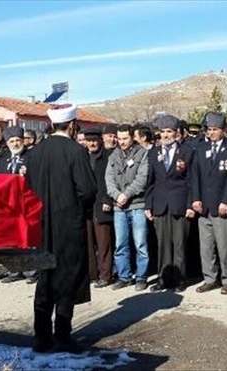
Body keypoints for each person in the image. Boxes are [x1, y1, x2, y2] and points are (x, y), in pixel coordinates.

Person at [25, 103, 97, 353]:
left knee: (44, 278)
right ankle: (63, 334)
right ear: (72, 124)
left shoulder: (34, 153)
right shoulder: (76, 152)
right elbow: (88, 189)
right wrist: (80, 208)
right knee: (66, 276)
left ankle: (41, 336)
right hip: (68, 223)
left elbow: (28, 189)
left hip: (41, 223)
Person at [191, 112, 227, 295]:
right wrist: (195, 198)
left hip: (222, 205)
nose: (211, 133)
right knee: (206, 246)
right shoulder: (201, 148)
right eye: (209, 129)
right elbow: (194, 175)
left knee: (224, 246)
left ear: (223, 131)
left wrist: (225, 201)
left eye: (214, 129)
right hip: (204, 206)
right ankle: (210, 278)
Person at [145, 114, 196, 292]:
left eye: (169, 131)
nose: (166, 135)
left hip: (180, 203)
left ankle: (180, 279)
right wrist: (148, 205)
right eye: (162, 132)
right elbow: (150, 182)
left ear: (176, 133)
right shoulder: (153, 152)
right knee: (163, 244)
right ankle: (163, 278)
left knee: (180, 243)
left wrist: (190, 205)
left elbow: (192, 180)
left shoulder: (188, 151)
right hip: (160, 204)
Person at [106, 124, 150, 291]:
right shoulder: (113, 156)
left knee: (140, 244)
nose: (122, 142)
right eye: (120, 138)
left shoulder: (142, 154)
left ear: (133, 137)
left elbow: (142, 179)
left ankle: (141, 277)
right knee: (121, 243)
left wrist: (127, 194)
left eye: (125, 138)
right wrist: (117, 195)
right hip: (119, 207)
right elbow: (109, 179)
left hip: (137, 204)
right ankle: (124, 276)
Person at [81, 128, 115, 289]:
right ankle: (91, 273)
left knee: (104, 243)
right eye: (89, 140)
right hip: (86, 205)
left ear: (100, 140)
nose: (92, 143)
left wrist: (107, 199)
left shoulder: (107, 157)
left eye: (94, 140)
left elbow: (110, 181)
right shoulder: (81, 157)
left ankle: (106, 275)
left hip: (102, 203)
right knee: (87, 242)